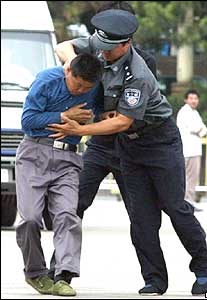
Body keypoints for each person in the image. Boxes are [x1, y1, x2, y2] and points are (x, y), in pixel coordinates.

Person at [47, 9, 207, 296]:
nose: (102, 53)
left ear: (126, 44)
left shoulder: (138, 74)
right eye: (100, 47)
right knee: (142, 217)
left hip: (159, 142)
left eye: (109, 49)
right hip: (129, 146)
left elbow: (122, 121)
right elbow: (63, 46)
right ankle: (154, 279)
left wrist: (78, 130)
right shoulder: (100, 47)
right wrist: (75, 64)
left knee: (175, 207)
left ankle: (204, 267)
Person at [47, 0, 158, 282]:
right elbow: (62, 46)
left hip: (130, 147)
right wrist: (74, 62)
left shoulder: (145, 64)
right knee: (75, 205)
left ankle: (153, 278)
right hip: (99, 146)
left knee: (141, 215)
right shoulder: (94, 49)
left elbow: (129, 112)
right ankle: (59, 272)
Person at [15, 53, 103, 296]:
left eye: (87, 87)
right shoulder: (46, 81)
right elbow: (28, 120)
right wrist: (64, 116)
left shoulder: (94, 88)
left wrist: (89, 120)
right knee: (31, 218)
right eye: (78, 84)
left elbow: (96, 112)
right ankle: (35, 273)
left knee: (67, 215)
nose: (81, 91)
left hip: (69, 158)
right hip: (35, 153)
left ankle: (64, 275)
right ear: (68, 72)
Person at [176, 90, 207, 211]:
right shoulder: (185, 112)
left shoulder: (195, 113)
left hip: (193, 149)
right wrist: (200, 129)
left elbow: (203, 130)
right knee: (189, 177)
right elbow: (197, 128)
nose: (194, 101)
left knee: (190, 177)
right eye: (191, 98)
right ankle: (188, 202)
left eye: (195, 98)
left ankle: (188, 201)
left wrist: (200, 129)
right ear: (186, 100)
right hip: (189, 150)